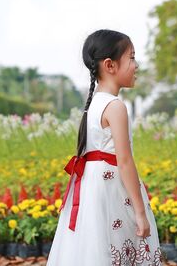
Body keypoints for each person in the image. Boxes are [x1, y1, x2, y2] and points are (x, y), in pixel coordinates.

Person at [47, 29, 162, 266]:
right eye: (131, 57)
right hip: (112, 190)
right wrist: (140, 213)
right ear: (110, 65)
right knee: (117, 244)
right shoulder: (115, 107)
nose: (136, 65)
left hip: (93, 188)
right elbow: (125, 161)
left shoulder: (93, 105)